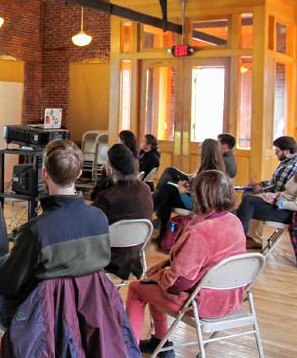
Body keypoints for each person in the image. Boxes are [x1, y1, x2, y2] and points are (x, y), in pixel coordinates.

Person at [0, 140, 110, 357]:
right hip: (90, 311)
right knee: (16, 265)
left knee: (1, 281)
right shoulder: (99, 218)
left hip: (45, 317)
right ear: (79, 174)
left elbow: (6, 286)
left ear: (44, 173)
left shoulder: (37, 230)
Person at [126, 170, 245, 357]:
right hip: (230, 297)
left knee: (137, 288)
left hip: (202, 303)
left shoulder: (200, 233)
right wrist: (164, 266)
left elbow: (177, 283)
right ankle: (160, 342)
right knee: (154, 285)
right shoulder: (234, 221)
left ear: (199, 195)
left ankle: (127, 348)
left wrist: (158, 275)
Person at [92, 144, 153, 280]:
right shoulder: (145, 189)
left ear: (111, 167)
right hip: (135, 257)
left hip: (109, 259)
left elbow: (90, 224)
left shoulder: (108, 197)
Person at [153, 138, 226, 239]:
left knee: (166, 190)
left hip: (197, 204)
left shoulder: (208, 172)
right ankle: (162, 232)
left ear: (206, 152)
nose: (199, 151)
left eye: (201, 149)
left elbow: (201, 196)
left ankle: (150, 215)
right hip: (196, 198)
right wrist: (188, 185)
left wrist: (183, 191)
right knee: (166, 192)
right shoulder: (216, 168)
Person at [236, 136, 297, 249]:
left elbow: (279, 189)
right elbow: (274, 183)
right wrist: (260, 184)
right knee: (247, 198)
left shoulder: (292, 166)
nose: (275, 153)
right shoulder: (286, 162)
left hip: (283, 210)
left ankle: (241, 238)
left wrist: (263, 191)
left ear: (287, 151)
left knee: (248, 201)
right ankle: (247, 236)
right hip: (278, 200)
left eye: (277, 151)